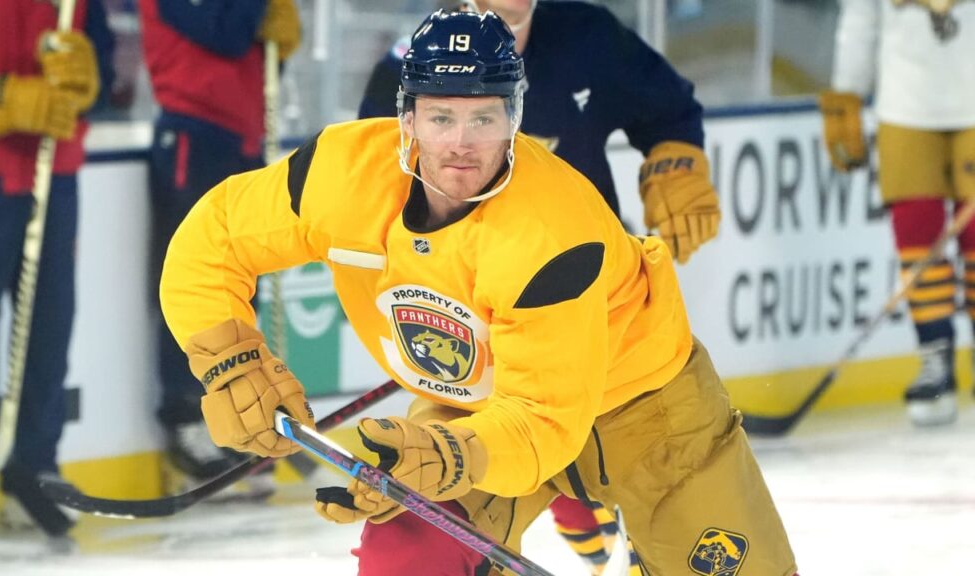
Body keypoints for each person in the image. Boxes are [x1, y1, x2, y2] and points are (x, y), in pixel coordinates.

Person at [160, 10, 797, 576]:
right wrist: (229, 360)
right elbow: (212, 241)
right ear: (406, 118)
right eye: (441, 117)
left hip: (643, 404)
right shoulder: (341, 173)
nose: (461, 143)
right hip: (479, 410)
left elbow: (544, 421)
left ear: (514, 118)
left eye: (483, 118)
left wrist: (446, 455)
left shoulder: (550, 227)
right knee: (408, 559)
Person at [358, 1, 719, 572]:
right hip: (472, 309)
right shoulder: (416, 62)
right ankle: (560, 491)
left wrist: (676, 164)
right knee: (472, 479)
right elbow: (374, 193)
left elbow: (668, 107)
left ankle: (580, 486)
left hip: (588, 302)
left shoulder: (587, 34)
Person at [0, 0, 114, 535]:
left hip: (52, 170)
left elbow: (105, 72)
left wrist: (87, 82)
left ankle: (34, 467)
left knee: (49, 327)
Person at [138, 0, 301, 485]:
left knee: (240, 286)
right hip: (194, 134)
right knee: (193, 285)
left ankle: (241, 415)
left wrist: (276, 49)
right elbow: (222, 33)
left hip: (242, 134)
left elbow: (247, 53)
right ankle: (186, 416)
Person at [820, 0, 975, 426]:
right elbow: (861, 15)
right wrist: (847, 91)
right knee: (916, 234)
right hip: (905, 103)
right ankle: (935, 355)